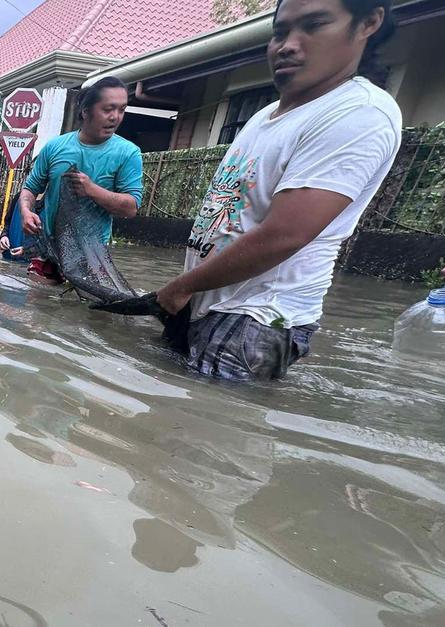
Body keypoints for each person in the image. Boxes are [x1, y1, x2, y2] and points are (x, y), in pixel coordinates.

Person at [151, 0, 400, 380]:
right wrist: (186, 291)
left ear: (369, 23)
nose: (288, 45)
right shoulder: (263, 117)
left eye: (313, 25)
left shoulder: (359, 114)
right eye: (280, 32)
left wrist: (181, 286)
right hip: (205, 303)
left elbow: (283, 236)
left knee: (202, 416)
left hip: (256, 318)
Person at [9, 76, 143, 284]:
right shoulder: (55, 147)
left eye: (122, 110)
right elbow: (30, 189)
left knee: (89, 303)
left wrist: (91, 190)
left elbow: (131, 207)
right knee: (36, 301)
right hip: (48, 248)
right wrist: (26, 212)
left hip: (92, 254)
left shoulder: (128, 153)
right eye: (108, 109)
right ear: (86, 111)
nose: (115, 117)